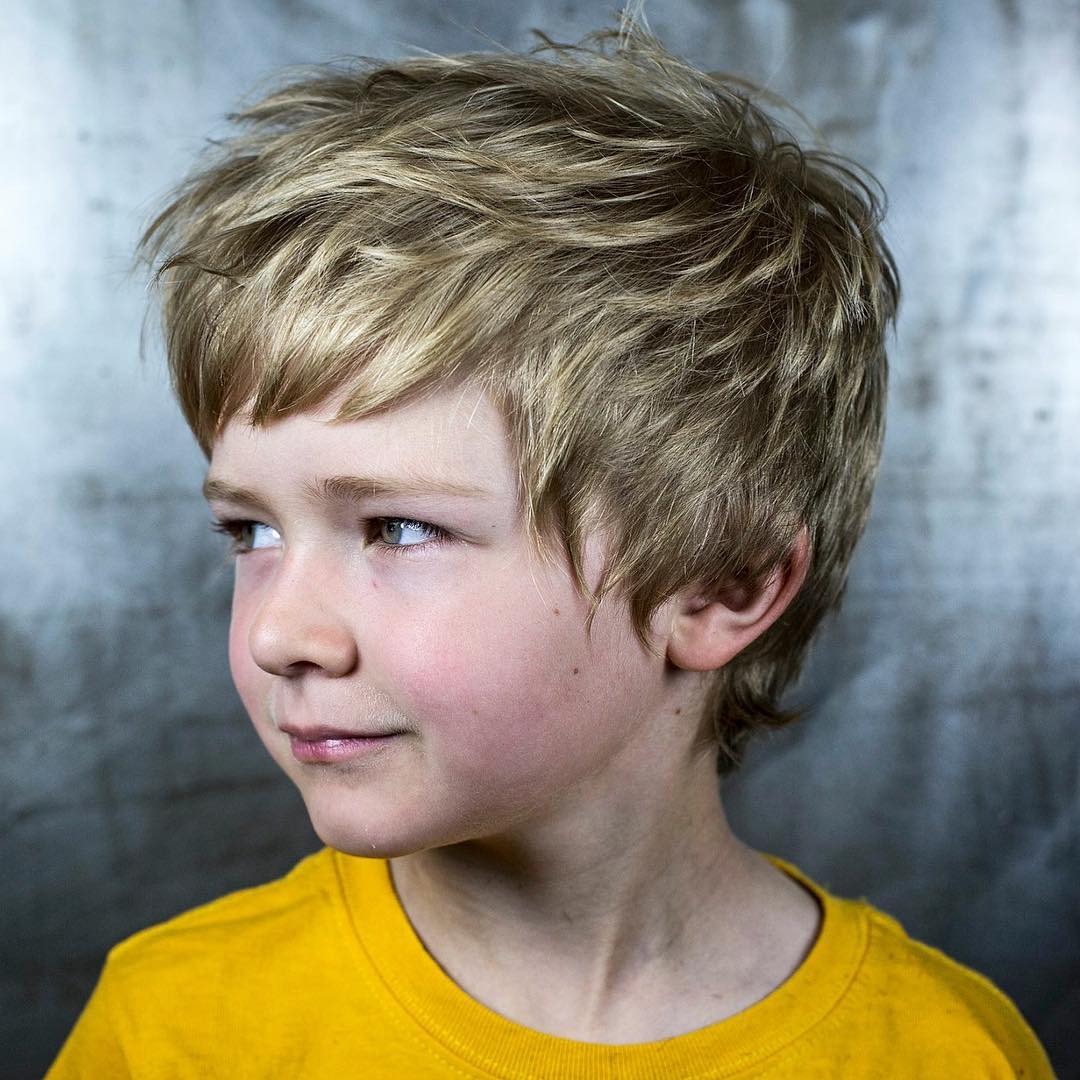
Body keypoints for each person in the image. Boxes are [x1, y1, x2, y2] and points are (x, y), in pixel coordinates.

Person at [48, 9, 1054, 1077]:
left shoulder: (945, 1052)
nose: (278, 635)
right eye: (250, 529)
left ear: (721, 585)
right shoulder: (176, 1029)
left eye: (398, 528)